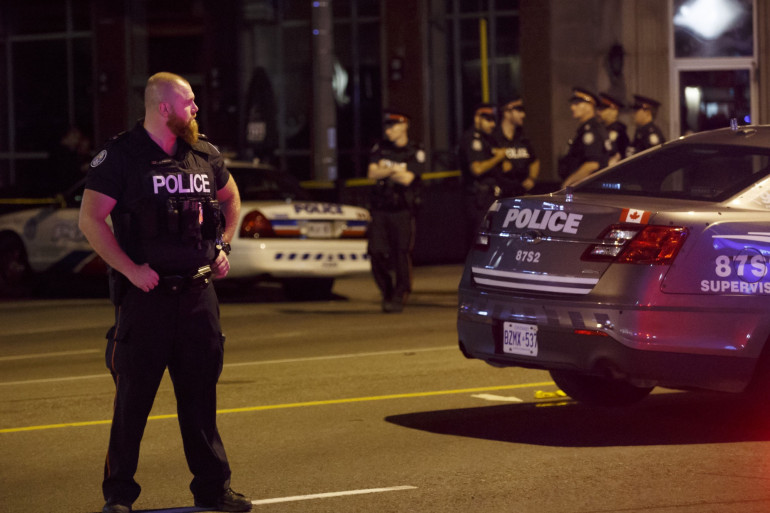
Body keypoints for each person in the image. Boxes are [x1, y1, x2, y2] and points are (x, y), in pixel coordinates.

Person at [78, 72, 251, 513]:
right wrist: (131, 269)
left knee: (200, 400)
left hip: (197, 296)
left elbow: (231, 198)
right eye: (189, 102)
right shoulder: (122, 155)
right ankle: (119, 495)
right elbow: (91, 220)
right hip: (147, 299)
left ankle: (214, 490)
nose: (195, 109)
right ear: (164, 108)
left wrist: (223, 246)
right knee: (132, 403)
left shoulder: (203, 153)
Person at [367, 109, 425, 313]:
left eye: (392, 126)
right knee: (376, 251)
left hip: (402, 210)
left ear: (404, 126)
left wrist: (387, 169)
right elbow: (372, 173)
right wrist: (396, 170)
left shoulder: (415, 150)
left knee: (401, 253)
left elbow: (409, 179)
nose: (388, 130)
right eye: (386, 126)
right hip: (381, 209)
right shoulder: (380, 148)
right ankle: (387, 290)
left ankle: (400, 293)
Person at [458, 103, 507, 248]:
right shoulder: (471, 139)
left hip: (492, 196)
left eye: (494, 120)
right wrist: (498, 157)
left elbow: (506, 166)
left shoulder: (489, 139)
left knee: (492, 239)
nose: (492, 124)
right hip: (478, 197)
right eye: (488, 120)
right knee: (479, 239)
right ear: (477, 118)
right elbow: (477, 169)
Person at [559, 87, 613, 187]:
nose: (572, 108)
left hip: (587, 188)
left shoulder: (591, 131)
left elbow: (592, 164)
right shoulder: (589, 128)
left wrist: (567, 184)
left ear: (589, 106)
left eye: (577, 104)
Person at [492, 96, 540, 197]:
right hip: (500, 195)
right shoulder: (494, 138)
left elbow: (534, 160)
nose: (523, 115)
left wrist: (532, 178)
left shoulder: (522, 138)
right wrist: (500, 161)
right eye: (519, 110)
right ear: (506, 112)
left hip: (521, 193)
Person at [597, 92, 630, 164]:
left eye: (603, 109)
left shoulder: (618, 130)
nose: (598, 112)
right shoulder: (601, 129)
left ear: (614, 111)